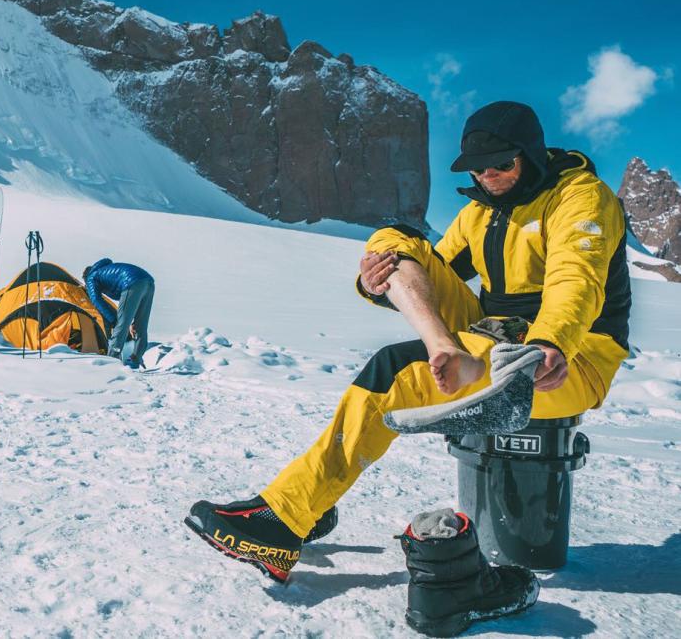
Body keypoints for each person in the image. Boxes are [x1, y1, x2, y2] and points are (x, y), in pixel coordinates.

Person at [185, 101, 630, 626]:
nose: (489, 177)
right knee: (395, 240)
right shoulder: (482, 211)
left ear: (529, 156)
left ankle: (284, 520)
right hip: (494, 340)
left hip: (571, 358)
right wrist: (375, 282)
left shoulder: (580, 198)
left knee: (393, 371)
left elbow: (575, 281)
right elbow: (432, 268)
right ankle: (445, 348)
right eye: (478, 169)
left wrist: (553, 341)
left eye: (502, 165)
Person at [82, 258, 155, 368]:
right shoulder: (105, 270)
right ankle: (136, 359)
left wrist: (113, 319)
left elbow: (96, 300)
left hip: (131, 283)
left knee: (121, 325)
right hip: (148, 282)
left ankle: (112, 360)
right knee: (141, 325)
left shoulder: (92, 277)